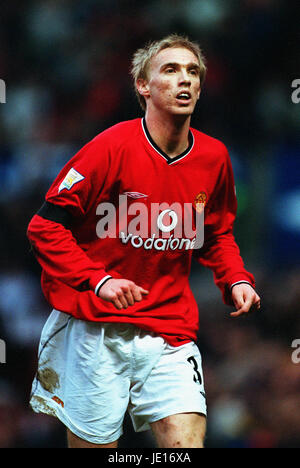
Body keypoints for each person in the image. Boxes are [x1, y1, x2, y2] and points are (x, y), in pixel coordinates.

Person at [27, 34, 261, 449]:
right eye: (170, 70)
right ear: (143, 86)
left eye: (193, 72)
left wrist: (236, 279)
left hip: (170, 330)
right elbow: (44, 227)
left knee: (185, 444)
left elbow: (217, 233)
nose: (184, 80)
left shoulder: (214, 158)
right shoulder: (109, 147)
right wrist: (97, 279)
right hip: (94, 327)